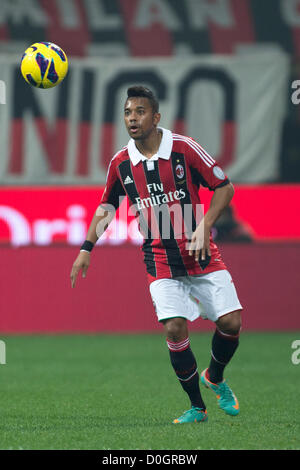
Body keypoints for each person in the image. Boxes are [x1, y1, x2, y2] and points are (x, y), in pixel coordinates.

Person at [70, 86, 243, 424]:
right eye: (127, 113)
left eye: (140, 112)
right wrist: (85, 248)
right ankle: (197, 406)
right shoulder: (121, 162)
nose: (132, 119)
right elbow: (107, 206)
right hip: (159, 259)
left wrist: (205, 224)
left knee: (231, 322)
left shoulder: (183, 148)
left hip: (201, 253)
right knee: (175, 329)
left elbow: (225, 187)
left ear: (156, 117)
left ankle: (216, 377)